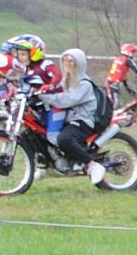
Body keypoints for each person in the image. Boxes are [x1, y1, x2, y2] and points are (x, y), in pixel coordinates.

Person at [41, 50, 107, 181]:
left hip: (83, 121)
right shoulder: (65, 81)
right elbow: (55, 92)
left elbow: (66, 100)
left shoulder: (84, 84)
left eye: (71, 61)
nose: (67, 63)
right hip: (69, 119)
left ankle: (92, 165)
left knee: (64, 139)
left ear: (79, 63)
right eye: (65, 60)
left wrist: (43, 97)